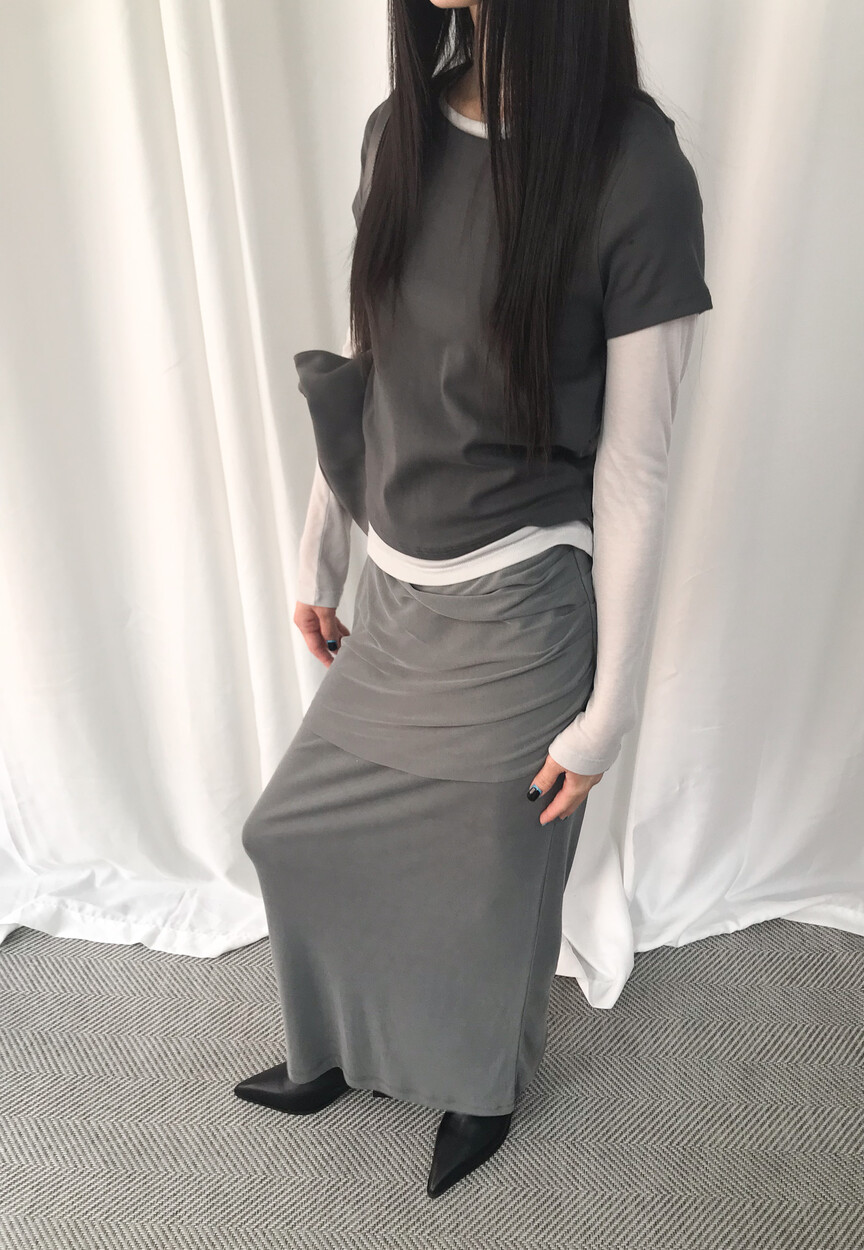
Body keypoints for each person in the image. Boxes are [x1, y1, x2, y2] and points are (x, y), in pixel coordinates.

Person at [237, 0, 712, 1200]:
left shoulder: (633, 169)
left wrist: (609, 715)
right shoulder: (398, 129)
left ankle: (480, 1084)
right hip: (393, 594)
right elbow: (374, 361)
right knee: (295, 833)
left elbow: (637, 469)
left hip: (519, 606)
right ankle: (337, 1043)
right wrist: (317, 552)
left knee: (486, 885)